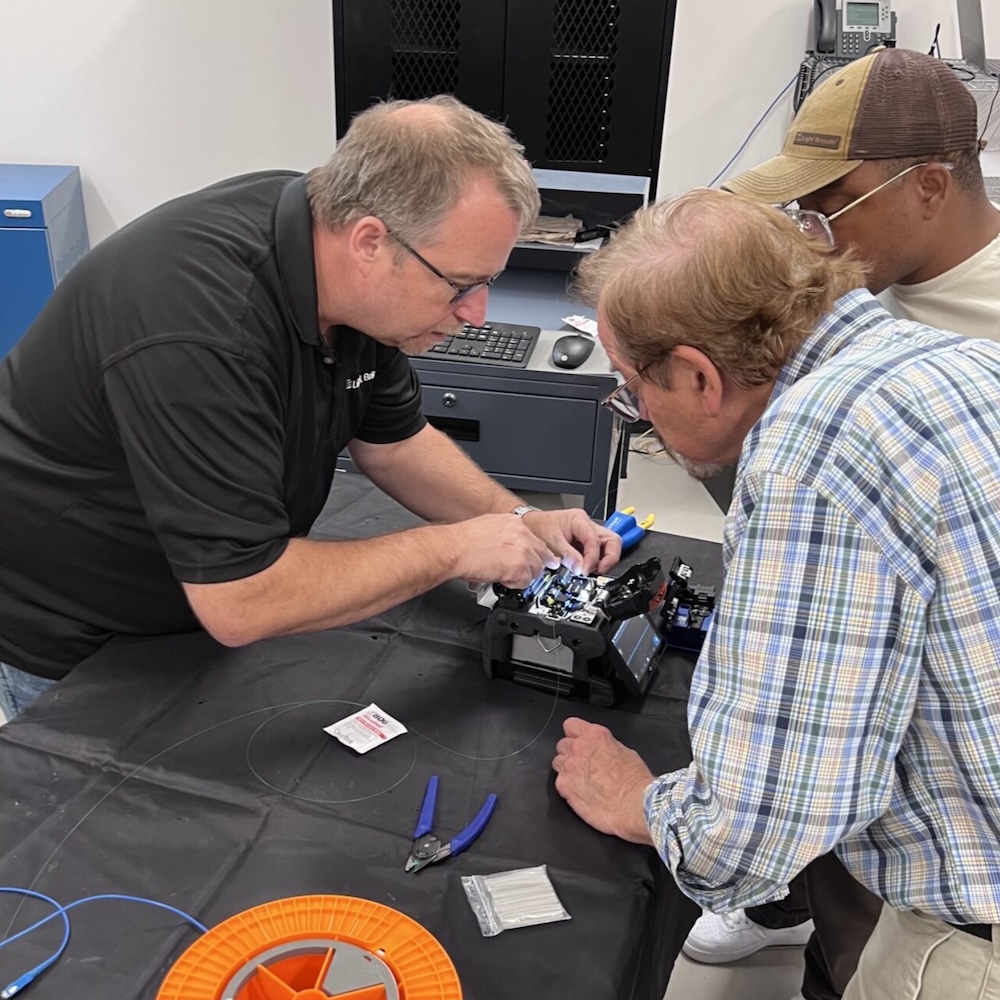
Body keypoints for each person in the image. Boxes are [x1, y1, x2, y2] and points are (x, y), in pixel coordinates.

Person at [0, 95, 620, 721]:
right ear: (370, 242)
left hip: (203, 596)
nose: (476, 313)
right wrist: (456, 549)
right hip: (79, 636)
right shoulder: (199, 324)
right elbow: (242, 600)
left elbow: (396, 443)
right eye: (460, 285)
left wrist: (513, 519)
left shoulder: (332, 250)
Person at [551, 187, 1000, 1000]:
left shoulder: (812, 451)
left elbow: (753, 832)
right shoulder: (959, 361)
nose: (637, 411)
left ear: (697, 373)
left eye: (633, 389)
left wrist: (641, 802)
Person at [679, 47, 1000, 1000]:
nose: (812, 235)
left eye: (831, 204)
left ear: (931, 185)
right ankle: (793, 899)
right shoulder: (875, 288)